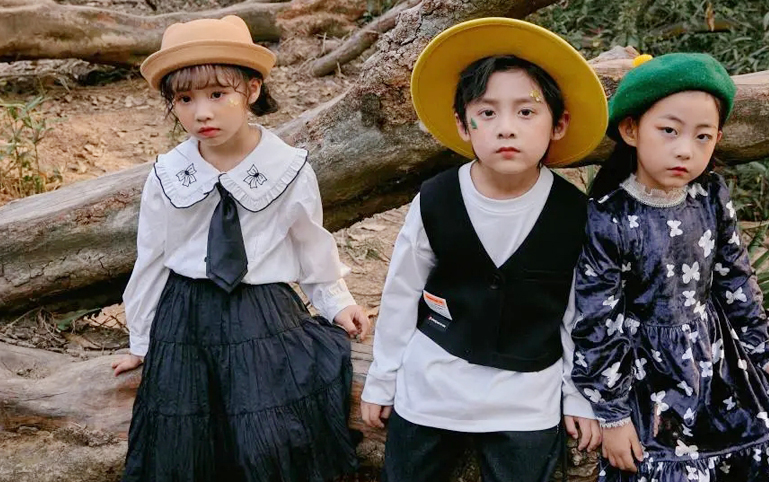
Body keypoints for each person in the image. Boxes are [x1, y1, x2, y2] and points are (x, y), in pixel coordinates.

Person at [110, 15, 369, 482]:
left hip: (261, 311)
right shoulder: (168, 174)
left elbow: (309, 242)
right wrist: (141, 341)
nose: (201, 113)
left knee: (268, 432)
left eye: (217, 94)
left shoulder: (288, 168)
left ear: (251, 89)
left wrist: (337, 301)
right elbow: (151, 257)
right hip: (185, 317)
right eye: (184, 99)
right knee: (186, 438)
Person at [359, 17, 609, 482]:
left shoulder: (574, 214)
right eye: (487, 113)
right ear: (463, 124)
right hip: (433, 383)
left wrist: (578, 395)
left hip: (526, 395)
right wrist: (383, 379)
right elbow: (401, 292)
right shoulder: (436, 200)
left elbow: (580, 313)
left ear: (559, 124)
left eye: (526, 112)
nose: (506, 128)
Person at [572, 52, 769, 481]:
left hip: (715, 357)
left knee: (752, 439)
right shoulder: (608, 217)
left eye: (703, 136)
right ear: (631, 129)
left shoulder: (709, 196)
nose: (685, 150)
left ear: (717, 138)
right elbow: (597, 319)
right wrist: (613, 415)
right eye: (668, 131)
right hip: (645, 371)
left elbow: (735, 276)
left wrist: (765, 349)